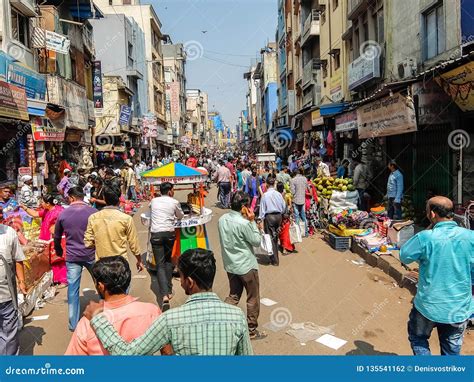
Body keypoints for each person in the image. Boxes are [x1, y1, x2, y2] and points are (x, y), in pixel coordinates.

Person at [84, 249, 253, 355]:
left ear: (190, 282)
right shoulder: (236, 316)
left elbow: (126, 354)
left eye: (180, 276)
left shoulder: (170, 320)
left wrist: (98, 318)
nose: (179, 281)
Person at [400, 196, 474, 355]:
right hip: (459, 308)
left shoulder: (426, 237)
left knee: (418, 338)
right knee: (451, 350)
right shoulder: (470, 236)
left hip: (428, 306)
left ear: (432, 214)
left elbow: (404, 255)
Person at [66, 256, 165, 355]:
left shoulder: (87, 323)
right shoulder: (152, 311)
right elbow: (167, 351)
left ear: (101, 286)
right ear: (128, 279)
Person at [218, 191, 266, 340]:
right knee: (252, 297)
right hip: (246, 266)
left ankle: (223, 321)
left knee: (234, 295)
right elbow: (257, 241)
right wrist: (252, 222)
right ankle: (251, 329)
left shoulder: (222, 219)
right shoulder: (244, 223)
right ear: (244, 207)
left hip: (230, 264)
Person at [54, 187, 97, 331]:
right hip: (91, 254)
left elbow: (57, 236)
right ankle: (106, 316)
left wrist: (59, 250)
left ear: (71, 198)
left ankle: (73, 324)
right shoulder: (93, 212)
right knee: (101, 284)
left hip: (72, 256)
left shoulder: (63, 214)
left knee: (72, 289)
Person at [84, 187, 143, 272]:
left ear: (104, 199)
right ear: (119, 199)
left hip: (101, 264)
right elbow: (134, 244)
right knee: (123, 284)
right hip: (120, 264)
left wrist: (100, 243)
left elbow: (88, 242)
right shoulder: (126, 218)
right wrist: (139, 260)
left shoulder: (93, 217)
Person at [149, 182, 184, 311]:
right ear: (170, 191)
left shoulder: (153, 201)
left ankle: (164, 295)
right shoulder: (174, 202)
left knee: (160, 264)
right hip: (169, 234)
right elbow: (180, 215)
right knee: (168, 261)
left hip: (156, 234)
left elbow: (151, 210)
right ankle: (168, 291)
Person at [21, 194, 66, 284]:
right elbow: (35, 214)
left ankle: (62, 279)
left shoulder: (59, 211)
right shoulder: (46, 210)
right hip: (46, 239)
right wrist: (24, 208)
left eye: (42, 202)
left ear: (48, 203)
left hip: (56, 239)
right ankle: (54, 278)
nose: (41, 204)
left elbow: (64, 222)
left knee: (58, 260)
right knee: (49, 259)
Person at [0, 206, 27, 355]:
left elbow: (18, 260)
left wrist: (21, 282)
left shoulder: (9, 233)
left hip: (6, 295)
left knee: (9, 333)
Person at [259, 177, 286, 266]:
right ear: (274, 184)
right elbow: (283, 207)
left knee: (271, 238)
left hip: (269, 218)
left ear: (266, 185)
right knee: (275, 237)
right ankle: (273, 257)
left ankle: (274, 260)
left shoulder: (265, 195)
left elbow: (262, 210)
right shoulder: (279, 194)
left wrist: (260, 220)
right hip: (278, 217)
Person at [277, 182, 295, 255]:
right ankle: (285, 249)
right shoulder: (287, 196)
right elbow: (290, 207)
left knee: (281, 232)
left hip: (278, 216)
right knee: (285, 232)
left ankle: (282, 245)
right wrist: (291, 216)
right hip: (285, 216)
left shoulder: (276, 196)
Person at [290, 168, 309, 237]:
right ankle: (306, 232)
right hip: (303, 199)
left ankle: (298, 234)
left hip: (296, 200)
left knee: (297, 217)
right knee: (304, 217)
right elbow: (307, 189)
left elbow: (292, 192)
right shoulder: (305, 179)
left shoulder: (293, 180)